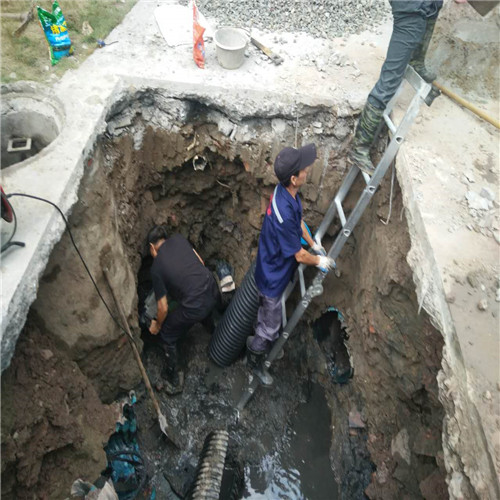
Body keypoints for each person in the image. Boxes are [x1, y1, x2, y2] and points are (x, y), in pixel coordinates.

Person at [247, 144, 335, 384]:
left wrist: (312, 243)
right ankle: (254, 361)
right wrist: (319, 260)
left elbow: (299, 223)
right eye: (303, 169)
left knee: (266, 317)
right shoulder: (284, 213)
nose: (308, 169)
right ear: (294, 178)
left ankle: (261, 332)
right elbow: (298, 256)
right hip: (272, 278)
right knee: (271, 326)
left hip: (271, 263)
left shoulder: (286, 193)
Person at [349, 0, 443, 175]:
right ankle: (359, 146)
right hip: (410, 6)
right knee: (389, 80)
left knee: (435, 4)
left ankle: (416, 62)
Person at [147, 226, 220, 394]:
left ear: (152, 247)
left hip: (196, 306)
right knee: (199, 301)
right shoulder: (179, 239)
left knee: (167, 333)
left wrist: (157, 325)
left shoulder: (157, 267)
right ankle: (212, 328)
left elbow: (163, 308)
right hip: (211, 288)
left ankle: (175, 377)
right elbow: (200, 263)